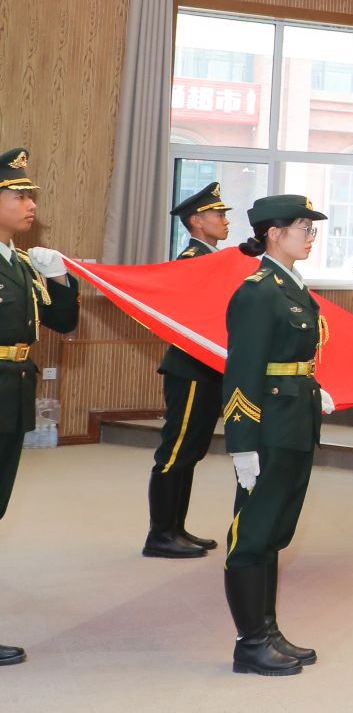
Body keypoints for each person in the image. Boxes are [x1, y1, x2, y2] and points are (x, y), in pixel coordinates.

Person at [220, 194, 333, 677]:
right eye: (303, 228)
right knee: (252, 534)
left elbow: (292, 357)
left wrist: (313, 388)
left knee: (273, 531)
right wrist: (241, 443)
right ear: (273, 233)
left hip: (294, 419)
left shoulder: (292, 286)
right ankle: (250, 643)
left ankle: (267, 631)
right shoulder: (258, 291)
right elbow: (242, 371)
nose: (310, 237)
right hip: (267, 426)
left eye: (311, 229)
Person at [0, 148, 80, 666]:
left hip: (12, 394)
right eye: (18, 195)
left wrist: (59, 278)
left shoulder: (24, 263)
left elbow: (63, 322)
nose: (31, 205)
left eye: (31, 195)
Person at [144, 182, 232, 559]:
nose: (225, 220)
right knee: (176, 450)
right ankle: (160, 534)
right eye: (218, 214)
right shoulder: (192, 260)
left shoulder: (213, 258)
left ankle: (176, 528)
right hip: (191, 368)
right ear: (196, 221)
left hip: (208, 369)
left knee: (191, 451)